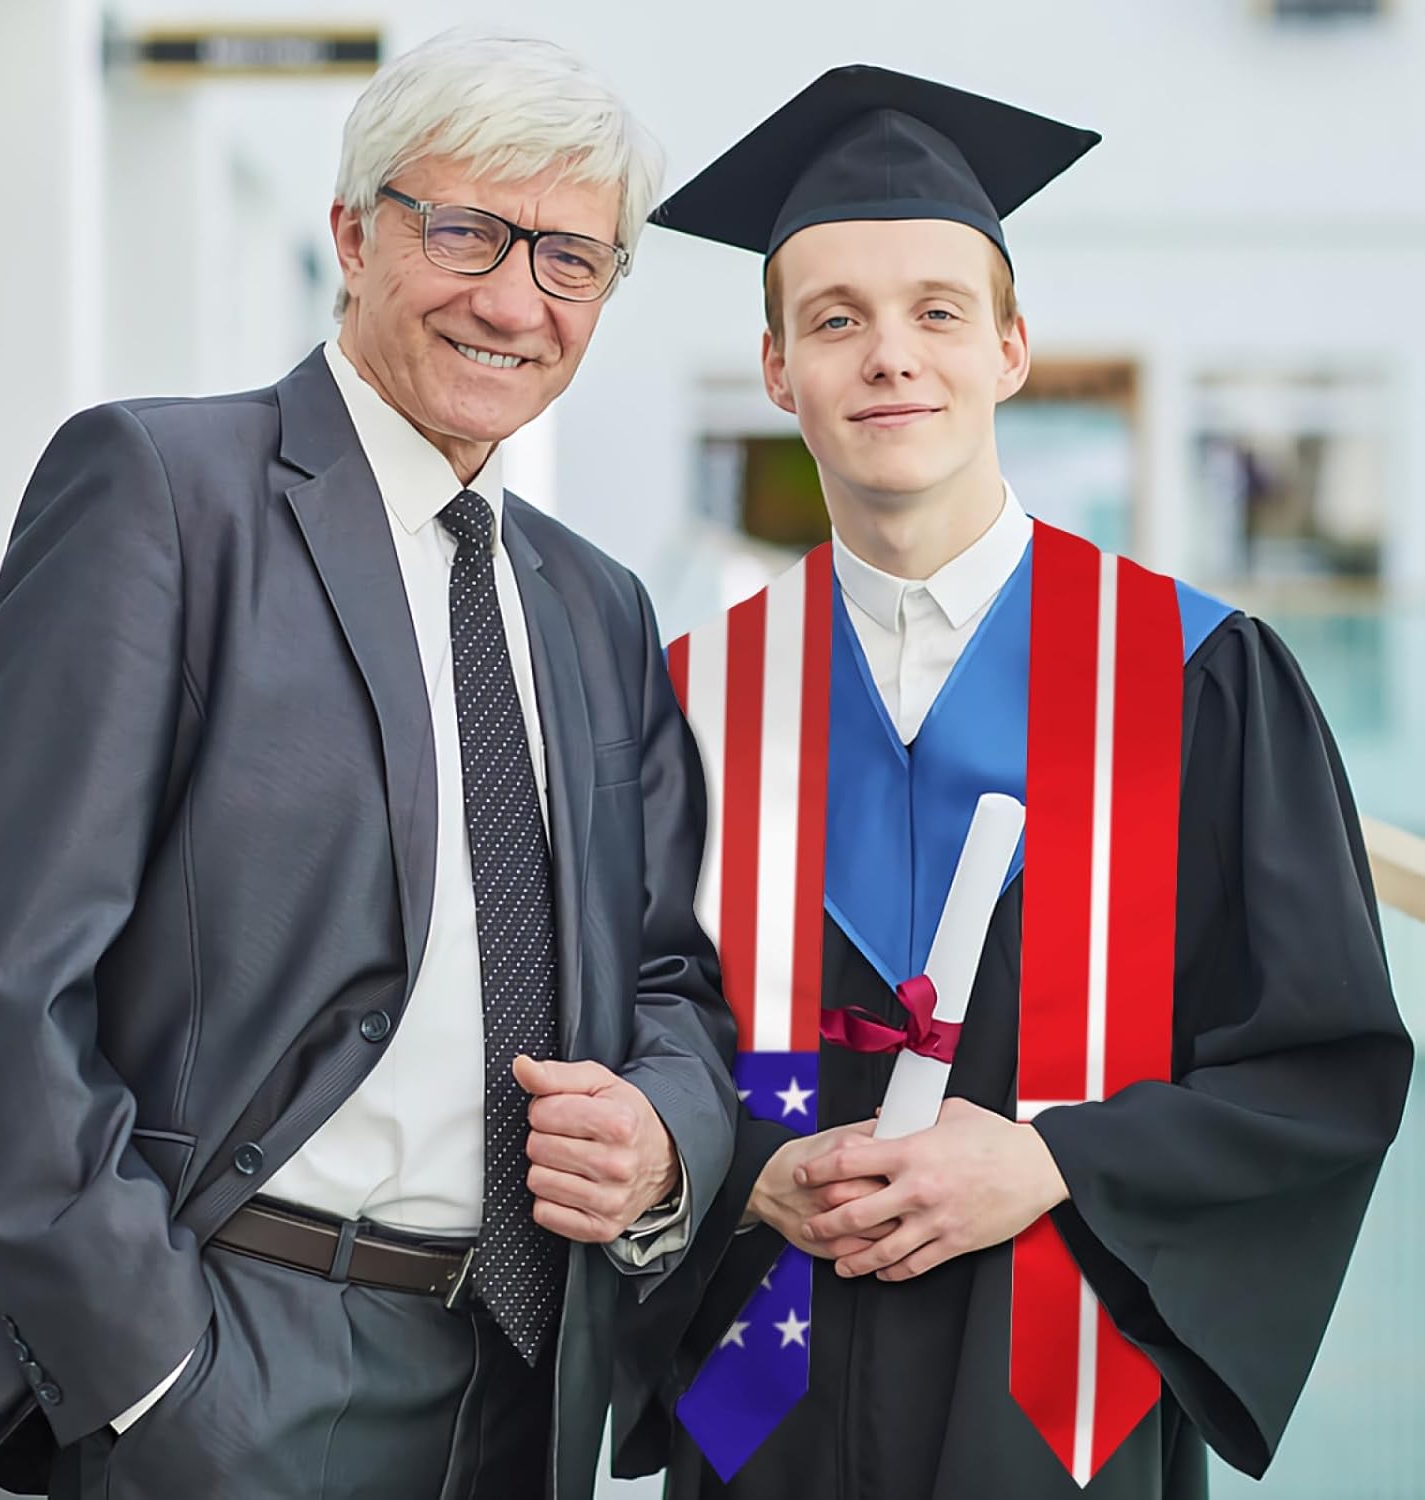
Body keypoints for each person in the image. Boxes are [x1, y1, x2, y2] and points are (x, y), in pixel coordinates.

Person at [0, 29, 736, 1500]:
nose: (514, 301)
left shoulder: (596, 605)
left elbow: (668, 974)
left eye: (569, 259)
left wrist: (663, 1138)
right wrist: (151, 1373)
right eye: (465, 231)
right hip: (229, 1357)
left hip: (521, 1380)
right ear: (354, 235)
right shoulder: (165, 497)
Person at [612, 64, 1412, 1500]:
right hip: (764, 1390)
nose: (890, 357)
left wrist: (1056, 1163)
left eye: (937, 312)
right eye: (836, 319)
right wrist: (743, 1172)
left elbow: (1319, 1067)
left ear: (1011, 348)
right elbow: (623, 1030)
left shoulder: (1197, 680)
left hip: (1058, 1401)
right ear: (778, 370)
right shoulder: (689, 699)